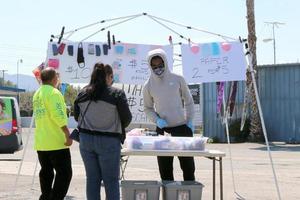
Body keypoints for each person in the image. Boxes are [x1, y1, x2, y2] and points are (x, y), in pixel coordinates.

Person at [73, 62, 132, 200]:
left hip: (86, 141)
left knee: (92, 179)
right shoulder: (117, 94)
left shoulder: (82, 93)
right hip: (109, 142)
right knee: (111, 181)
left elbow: (77, 117)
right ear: (109, 77)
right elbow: (127, 119)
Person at [143, 48, 196, 181]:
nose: (157, 68)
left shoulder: (178, 79)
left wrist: (189, 121)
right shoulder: (148, 85)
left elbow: (189, 101)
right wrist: (157, 120)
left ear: (165, 62)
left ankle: (189, 194)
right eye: (154, 66)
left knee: (188, 167)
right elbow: (147, 108)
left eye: (160, 65)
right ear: (150, 66)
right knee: (165, 170)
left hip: (182, 128)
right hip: (163, 131)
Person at [32, 67, 73, 200]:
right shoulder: (54, 93)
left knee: (46, 173)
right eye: (57, 76)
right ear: (54, 78)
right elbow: (59, 115)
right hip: (56, 142)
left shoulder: (37, 93)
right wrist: (67, 133)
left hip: (42, 143)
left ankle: (45, 197)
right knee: (65, 174)